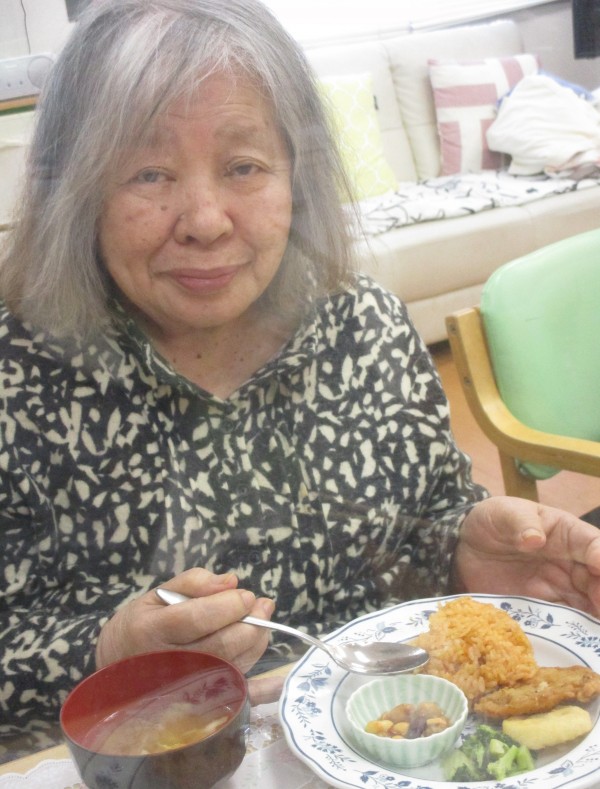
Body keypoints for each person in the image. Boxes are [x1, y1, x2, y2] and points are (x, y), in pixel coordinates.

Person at [1, 0, 599, 761]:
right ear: (75, 190)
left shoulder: (363, 325)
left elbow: (425, 518)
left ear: (297, 177)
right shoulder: (18, 373)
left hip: (383, 742)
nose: (206, 220)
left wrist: (461, 549)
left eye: (244, 167)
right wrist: (109, 649)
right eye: (149, 173)